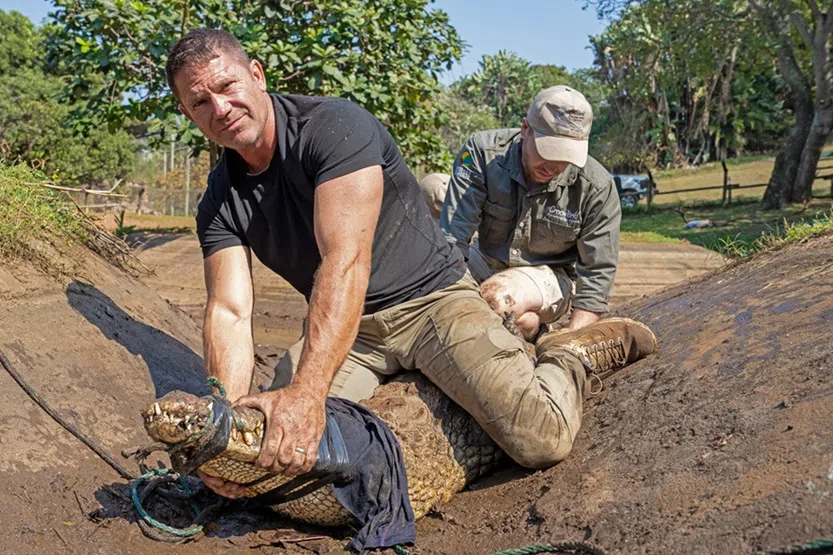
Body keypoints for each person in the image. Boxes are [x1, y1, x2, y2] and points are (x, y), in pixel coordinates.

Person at [165, 29, 656, 499]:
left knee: (542, 439)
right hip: (353, 331)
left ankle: (572, 354)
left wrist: (308, 393)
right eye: (200, 102)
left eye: (228, 87)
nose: (221, 109)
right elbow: (229, 311)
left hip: (432, 301)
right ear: (188, 114)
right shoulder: (218, 201)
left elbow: (347, 260)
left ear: (257, 74)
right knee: (272, 450)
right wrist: (221, 429)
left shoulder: (335, 128)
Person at [442, 86, 621, 341]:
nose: (555, 166)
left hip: (547, 276)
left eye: (566, 156)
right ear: (525, 129)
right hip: (486, 258)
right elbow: (453, 237)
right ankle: (528, 326)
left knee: (497, 299)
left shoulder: (597, 187)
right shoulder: (482, 153)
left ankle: (523, 319)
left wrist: (572, 342)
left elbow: (597, 273)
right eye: (548, 151)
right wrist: (448, 300)